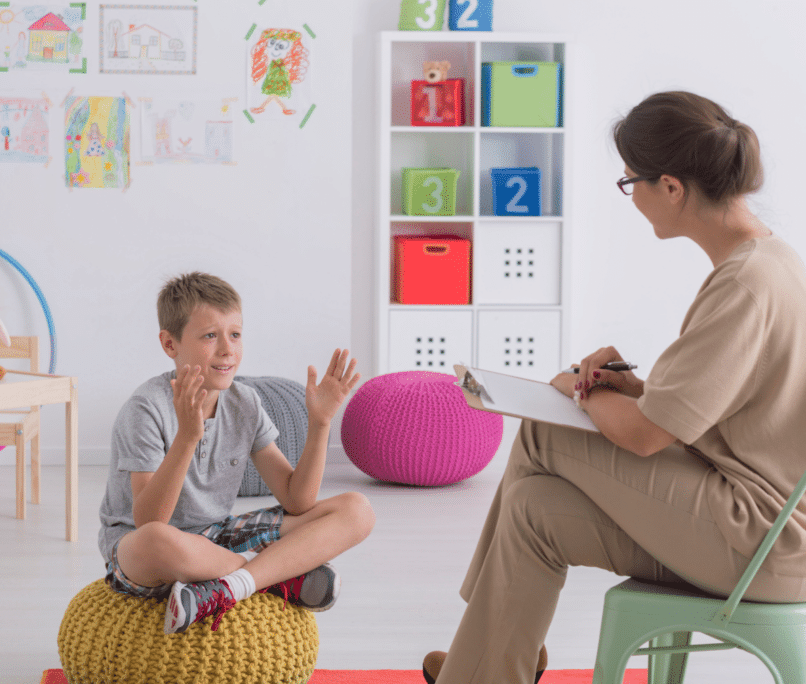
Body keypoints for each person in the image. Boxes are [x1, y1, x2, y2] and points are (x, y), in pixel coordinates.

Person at [422, 91, 806, 684]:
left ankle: (485, 648)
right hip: (763, 530)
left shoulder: (745, 285)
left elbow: (650, 437)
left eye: (631, 183)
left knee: (543, 435)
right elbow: (720, 408)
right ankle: (490, 655)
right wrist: (627, 386)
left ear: (672, 187)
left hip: (760, 541)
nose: (632, 198)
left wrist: (582, 390)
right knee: (533, 509)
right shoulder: (767, 262)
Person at [98, 272, 375, 634]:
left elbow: (297, 500)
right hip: (146, 553)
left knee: (357, 510)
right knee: (156, 540)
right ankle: (270, 574)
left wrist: (320, 423)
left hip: (218, 537)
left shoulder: (245, 401)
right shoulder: (146, 409)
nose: (228, 349)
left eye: (235, 334)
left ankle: (231, 585)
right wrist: (186, 438)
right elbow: (151, 520)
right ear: (170, 344)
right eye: (210, 336)